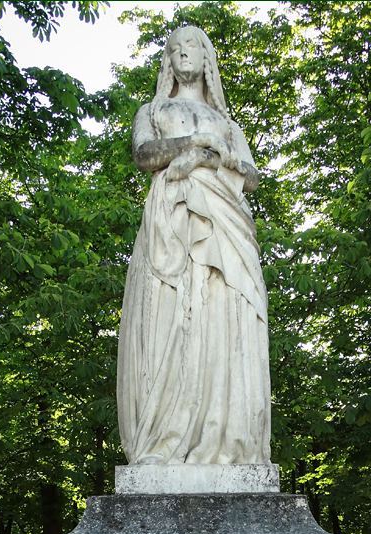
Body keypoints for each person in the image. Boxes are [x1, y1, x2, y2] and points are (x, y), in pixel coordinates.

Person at [117, 25, 272, 466]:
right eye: (175, 48)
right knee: (173, 322)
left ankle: (223, 437)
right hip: (171, 223)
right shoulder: (153, 110)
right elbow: (145, 155)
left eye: (193, 46)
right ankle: (168, 436)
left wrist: (207, 156)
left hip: (225, 226)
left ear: (206, 59)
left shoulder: (226, 122)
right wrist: (194, 143)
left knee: (223, 321)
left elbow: (252, 175)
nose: (184, 53)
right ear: (168, 60)